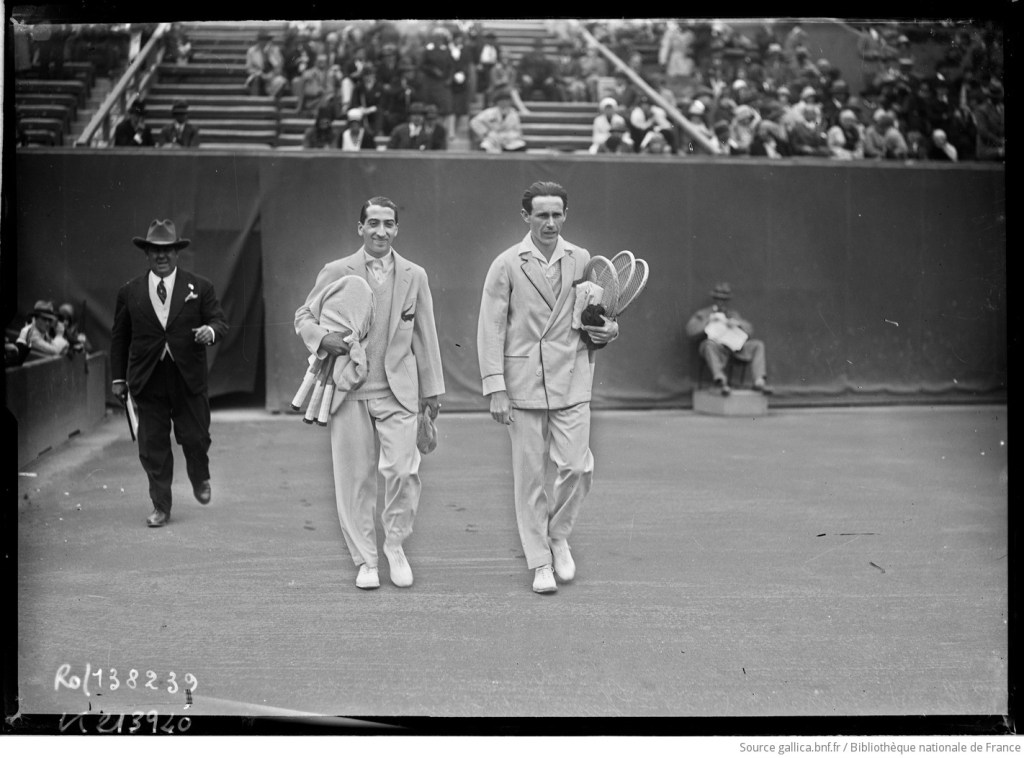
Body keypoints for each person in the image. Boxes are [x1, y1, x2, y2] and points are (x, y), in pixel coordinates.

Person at [476, 181, 620, 594]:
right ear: (526, 217)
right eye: (542, 215)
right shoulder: (505, 263)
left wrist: (609, 329)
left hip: (573, 381)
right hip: (522, 385)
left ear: (565, 215)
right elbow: (491, 329)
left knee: (578, 466)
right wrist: (495, 388)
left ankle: (558, 534)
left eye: (557, 214)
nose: (551, 222)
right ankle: (540, 561)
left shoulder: (582, 259)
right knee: (530, 478)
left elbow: (599, 320)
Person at [295, 196, 445, 590]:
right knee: (355, 479)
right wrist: (323, 339)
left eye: (389, 224)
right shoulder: (337, 270)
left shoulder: (415, 275)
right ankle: (366, 560)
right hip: (348, 390)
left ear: (397, 229)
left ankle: (394, 545)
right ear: (360, 228)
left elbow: (425, 336)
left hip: (399, 393)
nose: (381, 231)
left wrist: (431, 392)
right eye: (373, 223)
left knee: (402, 471)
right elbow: (304, 316)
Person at [110, 220, 229, 528]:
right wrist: (118, 379)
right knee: (153, 446)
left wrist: (210, 332)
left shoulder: (200, 287)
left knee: (195, 438)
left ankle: (199, 476)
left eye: (167, 250)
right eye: (154, 251)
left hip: (187, 377)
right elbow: (120, 338)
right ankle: (161, 506)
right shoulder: (130, 292)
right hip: (147, 379)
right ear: (146, 253)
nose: (161, 256)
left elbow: (219, 322)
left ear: (177, 252)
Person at [685, 282, 772, 396]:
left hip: (734, 348)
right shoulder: (704, 313)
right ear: (714, 299)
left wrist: (738, 324)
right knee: (707, 345)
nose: (722, 302)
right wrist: (708, 322)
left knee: (757, 345)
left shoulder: (732, 314)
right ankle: (721, 381)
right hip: (716, 348)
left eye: (725, 300)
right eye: (719, 299)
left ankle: (759, 381)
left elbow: (750, 330)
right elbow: (690, 331)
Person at [469, 88, 527, 153]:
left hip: (509, 140)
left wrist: (508, 137)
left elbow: (518, 131)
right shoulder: (489, 112)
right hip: (493, 139)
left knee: (520, 145)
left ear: (510, 102)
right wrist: (486, 132)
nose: (504, 103)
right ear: (497, 102)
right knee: (485, 146)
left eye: (506, 100)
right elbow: (474, 122)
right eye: (501, 100)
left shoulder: (514, 114)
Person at [245, 30, 288, 98]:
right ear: (258, 40)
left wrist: (268, 55)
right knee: (255, 79)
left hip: (272, 76)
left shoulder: (275, 50)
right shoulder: (251, 51)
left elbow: (279, 67)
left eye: (266, 39)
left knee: (281, 81)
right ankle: (254, 102)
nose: (264, 42)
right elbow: (249, 68)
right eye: (262, 39)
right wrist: (260, 73)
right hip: (258, 76)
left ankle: (272, 103)